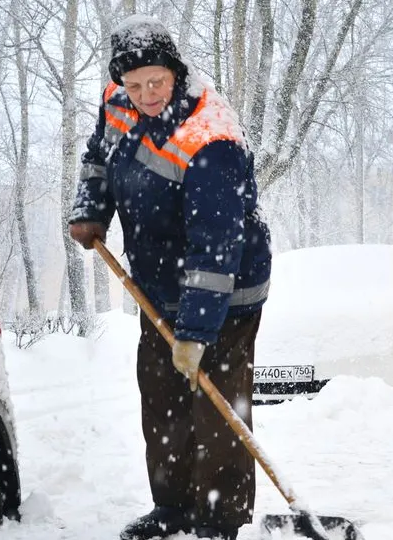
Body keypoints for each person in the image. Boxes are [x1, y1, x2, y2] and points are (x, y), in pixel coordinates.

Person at [67, 15, 271, 540]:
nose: (146, 94)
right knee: (162, 402)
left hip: (226, 295)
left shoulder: (211, 136)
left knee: (216, 412)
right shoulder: (118, 100)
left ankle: (222, 520)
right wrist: (91, 208)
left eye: (155, 81)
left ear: (176, 72)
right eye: (134, 85)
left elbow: (215, 246)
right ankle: (174, 508)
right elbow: (99, 155)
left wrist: (197, 333)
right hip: (158, 288)